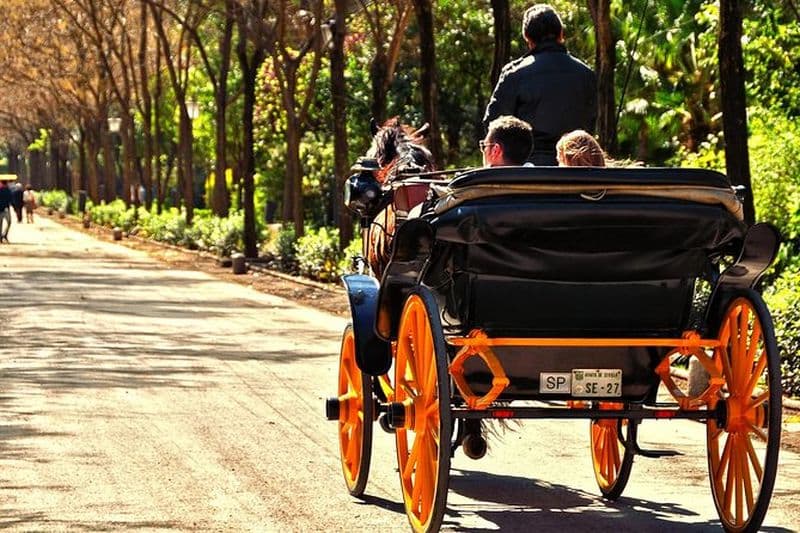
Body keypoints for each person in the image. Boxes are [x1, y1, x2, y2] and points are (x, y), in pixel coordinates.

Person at [484, 4, 596, 166]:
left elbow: (494, 125)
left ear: (527, 38)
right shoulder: (586, 74)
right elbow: (591, 123)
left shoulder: (514, 73)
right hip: (575, 167)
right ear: (561, 34)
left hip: (528, 170)